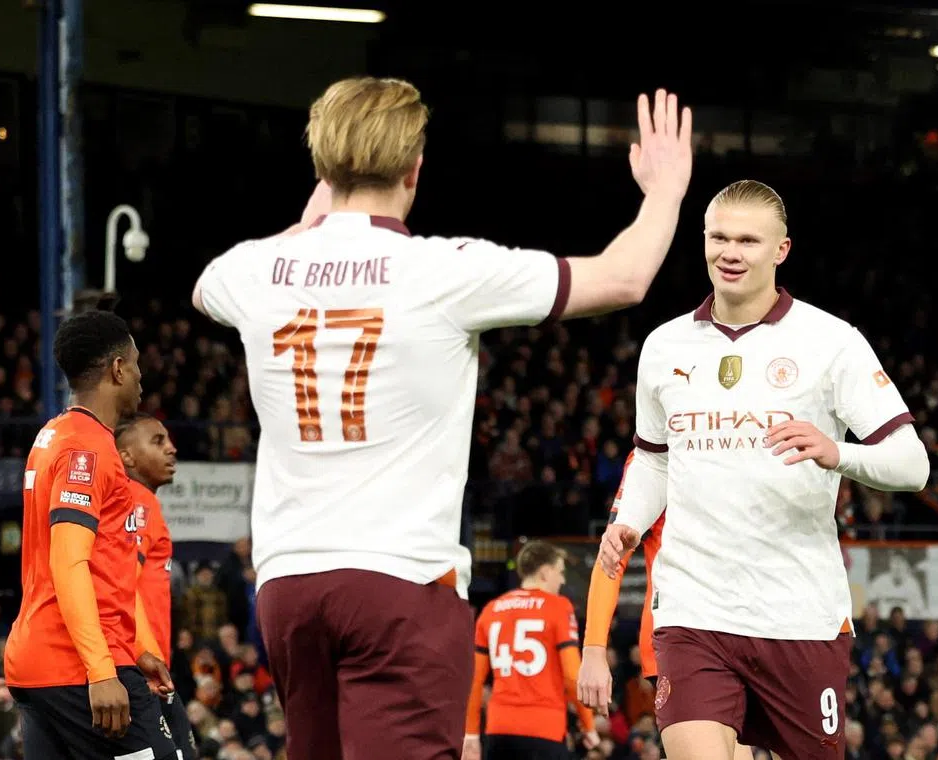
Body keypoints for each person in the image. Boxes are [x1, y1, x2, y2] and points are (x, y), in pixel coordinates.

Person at [190, 75, 693, 759]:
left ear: (321, 166)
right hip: (400, 586)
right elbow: (623, 277)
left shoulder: (252, 270)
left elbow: (204, 287)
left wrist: (314, 220)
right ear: (414, 169)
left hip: (288, 588)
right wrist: (665, 193)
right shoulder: (443, 269)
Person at [597, 180, 930, 760]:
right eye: (719, 237)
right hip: (692, 609)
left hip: (799, 615)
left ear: (781, 249)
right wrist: (629, 520)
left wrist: (838, 452)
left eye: (748, 240)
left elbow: (913, 465)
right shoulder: (664, 345)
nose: (730, 252)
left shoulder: (832, 342)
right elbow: (654, 458)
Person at [4, 310, 177, 760]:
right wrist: (103, 671)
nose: (141, 375)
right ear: (118, 369)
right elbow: (69, 561)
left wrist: (139, 648)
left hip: (42, 666)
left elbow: (106, 567)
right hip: (77, 668)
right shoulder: (86, 448)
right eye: (136, 363)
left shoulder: (56, 434)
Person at [578, 453, 754, 760]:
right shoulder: (658, 453)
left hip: (743, 637)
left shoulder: (745, 443)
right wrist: (594, 650)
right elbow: (612, 555)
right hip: (681, 638)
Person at [463, 541, 598, 760]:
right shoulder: (558, 607)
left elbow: (474, 680)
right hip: (544, 730)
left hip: (498, 732)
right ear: (545, 573)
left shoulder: (491, 610)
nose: (562, 580)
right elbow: (573, 675)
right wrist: (588, 725)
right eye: (560, 572)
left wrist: (471, 733)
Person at [116, 413, 197, 759]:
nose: (172, 449)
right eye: (157, 441)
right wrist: (138, 658)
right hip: (140, 672)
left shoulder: (143, 502)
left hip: (148, 669)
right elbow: (122, 588)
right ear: (127, 456)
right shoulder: (137, 502)